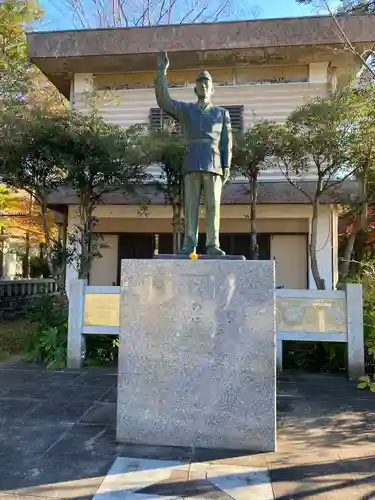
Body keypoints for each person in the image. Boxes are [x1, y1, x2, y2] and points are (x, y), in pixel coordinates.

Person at [155, 51, 232, 256]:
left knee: (213, 206)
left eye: (207, 83)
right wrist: (161, 72)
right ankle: (189, 244)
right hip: (191, 162)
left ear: (212, 89)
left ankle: (212, 244)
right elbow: (164, 101)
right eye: (200, 83)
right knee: (190, 207)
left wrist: (226, 166)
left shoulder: (222, 113)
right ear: (195, 88)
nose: (204, 86)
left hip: (213, 162)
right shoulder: (185, 110)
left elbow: (226, 143)